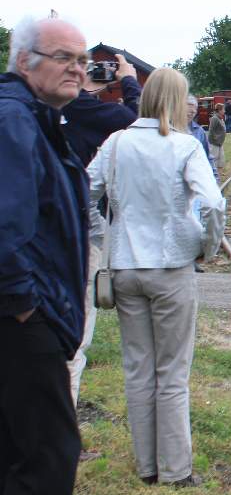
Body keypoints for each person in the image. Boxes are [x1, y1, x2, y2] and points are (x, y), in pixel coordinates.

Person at [88, 69, 225, 488]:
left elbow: (82, 193)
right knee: (172, 371)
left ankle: (147, 466)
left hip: (125, 269)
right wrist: (208, 245)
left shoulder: (114, 144)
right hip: (170, 269)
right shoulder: (183, 146)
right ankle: (176, 470)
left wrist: (102, 234)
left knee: (138, 368)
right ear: (176, 102)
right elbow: (213, 203)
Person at [0, 16, 88, 495]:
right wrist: (24, 304)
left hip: (26, 314)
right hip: (17, 319)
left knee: (14, 455)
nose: (79, 69)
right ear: (25, 61)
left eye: (84, 60)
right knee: (50, 455)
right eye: (62, 57)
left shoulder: (34, 118)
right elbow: (5, 225)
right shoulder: (13, 121)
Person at [61, 53, 140, 405]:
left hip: (28, 232)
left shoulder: (29, 107)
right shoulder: (92, 114)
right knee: (76, 328)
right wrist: (128, 82)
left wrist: (86, 89)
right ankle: (63, 414)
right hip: (77, 229)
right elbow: (138, 123)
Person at [207, 103, 227, 179]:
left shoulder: (220, 118)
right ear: (219, 110)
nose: (224, 111)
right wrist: (215, 140)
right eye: (223, 109)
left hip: (220, 143)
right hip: (214, 143)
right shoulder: (214, 118)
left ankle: (219, 174)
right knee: (214, 159)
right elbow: (211, 131)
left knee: (221, 159)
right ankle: (213, 175)